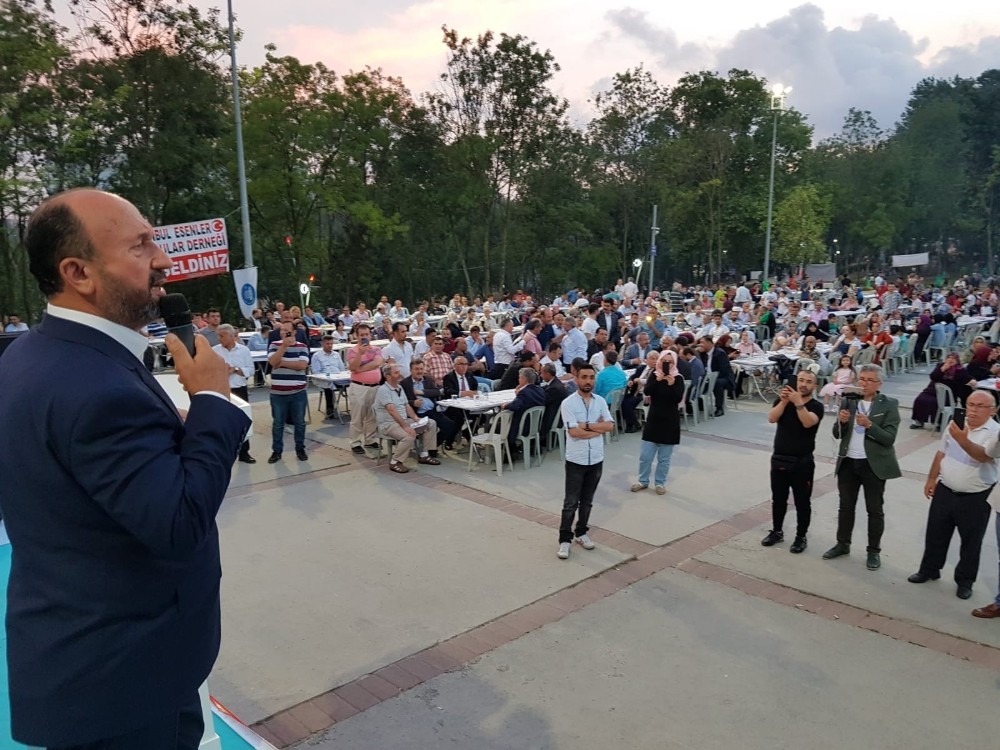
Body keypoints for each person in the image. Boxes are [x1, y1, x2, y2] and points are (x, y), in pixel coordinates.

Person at [0, 188, 251, 748]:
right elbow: (178, 523)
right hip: (127, 681)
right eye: (141, 246)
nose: (163, 260)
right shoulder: (95, 384)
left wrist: (165, 436)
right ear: (78, 273)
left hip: (83, 654)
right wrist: (214, 402)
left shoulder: (32, 355)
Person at [909, 390, 1000, 600]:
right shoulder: (956, 424)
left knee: (971, 541)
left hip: (976, 495)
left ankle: (965, 581)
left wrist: (962, 439)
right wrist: (932, 479)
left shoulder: (995, 432)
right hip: (946, 489)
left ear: (992, 410)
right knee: (935, 533)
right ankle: (929, 569)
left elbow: (984, 456)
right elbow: (941, 452)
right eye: (970, 404)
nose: (973, 409)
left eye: (980, 406)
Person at [825, 364, 901, 570]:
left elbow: (889, 439)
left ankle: (873, 551)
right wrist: (840, 422)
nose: (864, 383)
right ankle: (842, 544)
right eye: (862, 379)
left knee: (874, 509)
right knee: (846, 506)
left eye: (869, 380)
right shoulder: (849, 400)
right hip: (849, 462)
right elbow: (837, 434)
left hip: (873, 464)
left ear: (879, 384)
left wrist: (869, 425)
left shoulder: (889, 404)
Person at [761, 370, 824, 553]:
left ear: (815, 386)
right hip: (779, 458)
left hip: (802, 462)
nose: (803, 384)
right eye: (801, 380)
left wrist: (798, 404)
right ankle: (777, 531)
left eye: (809, 382)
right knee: (778, 499)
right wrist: (783, 401)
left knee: (802, 501)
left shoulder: (816, 406)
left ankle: (800, 537)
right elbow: (772, 418)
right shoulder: (784, 401)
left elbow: (808, 423)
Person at [557, 363, 614, 560]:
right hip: (576, 460)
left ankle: (581, 532)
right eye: (584, 377)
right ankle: (565, 539)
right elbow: (573, 432)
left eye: (591, 377)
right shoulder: (568, 404)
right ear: (577, 379)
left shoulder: (600, 401)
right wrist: (596, 429)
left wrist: (587, 426)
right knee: (571, 502)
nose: (588, 381)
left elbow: (610, 426)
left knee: (587, 501)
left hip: (596, 458)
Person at [631, 351, 685, 494]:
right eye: (663, 361)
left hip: (670, 422)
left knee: (664, 458)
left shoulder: (678, 378)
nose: (666, 364)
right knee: (645, 456)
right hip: (654, 420)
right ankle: (643, 481)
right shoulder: (654, 375)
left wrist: (672, 384)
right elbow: (647, 391)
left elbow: (678, 398)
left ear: (674, 363)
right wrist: (657, 380)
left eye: (670, 362)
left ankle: (660, 483)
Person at [373, 363, 440, 473]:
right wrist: (406, 427)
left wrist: (415, 418)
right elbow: (392, 411)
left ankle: (424, 454)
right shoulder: (383, 390)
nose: (399, 375)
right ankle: (395, 462)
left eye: (399, 372)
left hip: (403, 420)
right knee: (409, 435)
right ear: (388, 376)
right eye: (396, 373)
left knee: (431, 423)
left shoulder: (399, 387)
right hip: (389, 424)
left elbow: (406, 405)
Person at [267, 320, 310, 462]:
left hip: (298, 391)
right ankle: (277, 451)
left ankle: (300, 448)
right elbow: (273, 362)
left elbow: (302, 365)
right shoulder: (274, 345)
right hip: (278, 393)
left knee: (299, 423)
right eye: (282, 330)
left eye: (287, 330)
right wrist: (284, 346)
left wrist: (283, 363)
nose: (284, 332)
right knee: (278, 424)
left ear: (295, 332)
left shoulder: (302, 346)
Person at [214, 323, 256, 463]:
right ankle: (225, 454)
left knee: (242, 421)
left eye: (222, 336)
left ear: (232, 336)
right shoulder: (214, 351)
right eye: (218, 336)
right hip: (221, 389)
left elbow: (251, 370)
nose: (219, 339)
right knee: (222, 422)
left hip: (239, 390)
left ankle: (244, 452)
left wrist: (236, 369)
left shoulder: (243, 350)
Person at [346, 322, 384, 456]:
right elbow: (352, 366)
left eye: (367, 334)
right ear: (357, 336)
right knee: (358, 416)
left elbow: (378, 362)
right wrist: (359, 355)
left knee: (372, 415)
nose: (365, 337)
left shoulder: (376, 349)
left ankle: (370, 439)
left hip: (375, 386)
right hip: (359, 387)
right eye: (362, 335)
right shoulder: (352, 351)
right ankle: (355, 442)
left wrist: (360, 369)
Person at [909, 353, 975, 429]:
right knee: (921, 399)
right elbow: (933, 377)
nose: (950, 360)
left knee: (939, 403)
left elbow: (968, 378)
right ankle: (918, 421)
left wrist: (972, 380)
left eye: (953, 358)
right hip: (932, 391)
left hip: (948, 394)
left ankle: (940, 423)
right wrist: (942, 369)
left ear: (957, 361)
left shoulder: (960, 370)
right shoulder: (940, 366)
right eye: (949, 358)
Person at [311, 333, 347, 420]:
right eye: (327, 344)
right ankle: (330, 409)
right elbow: (316, 372)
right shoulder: (316, 356)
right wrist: (327, 377)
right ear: (322, 344)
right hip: (324, 379)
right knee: (328, 386)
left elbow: (342, 368)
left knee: (354, 383)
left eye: (331, 343)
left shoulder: (336, 354)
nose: (330, 345)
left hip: (338, 377)